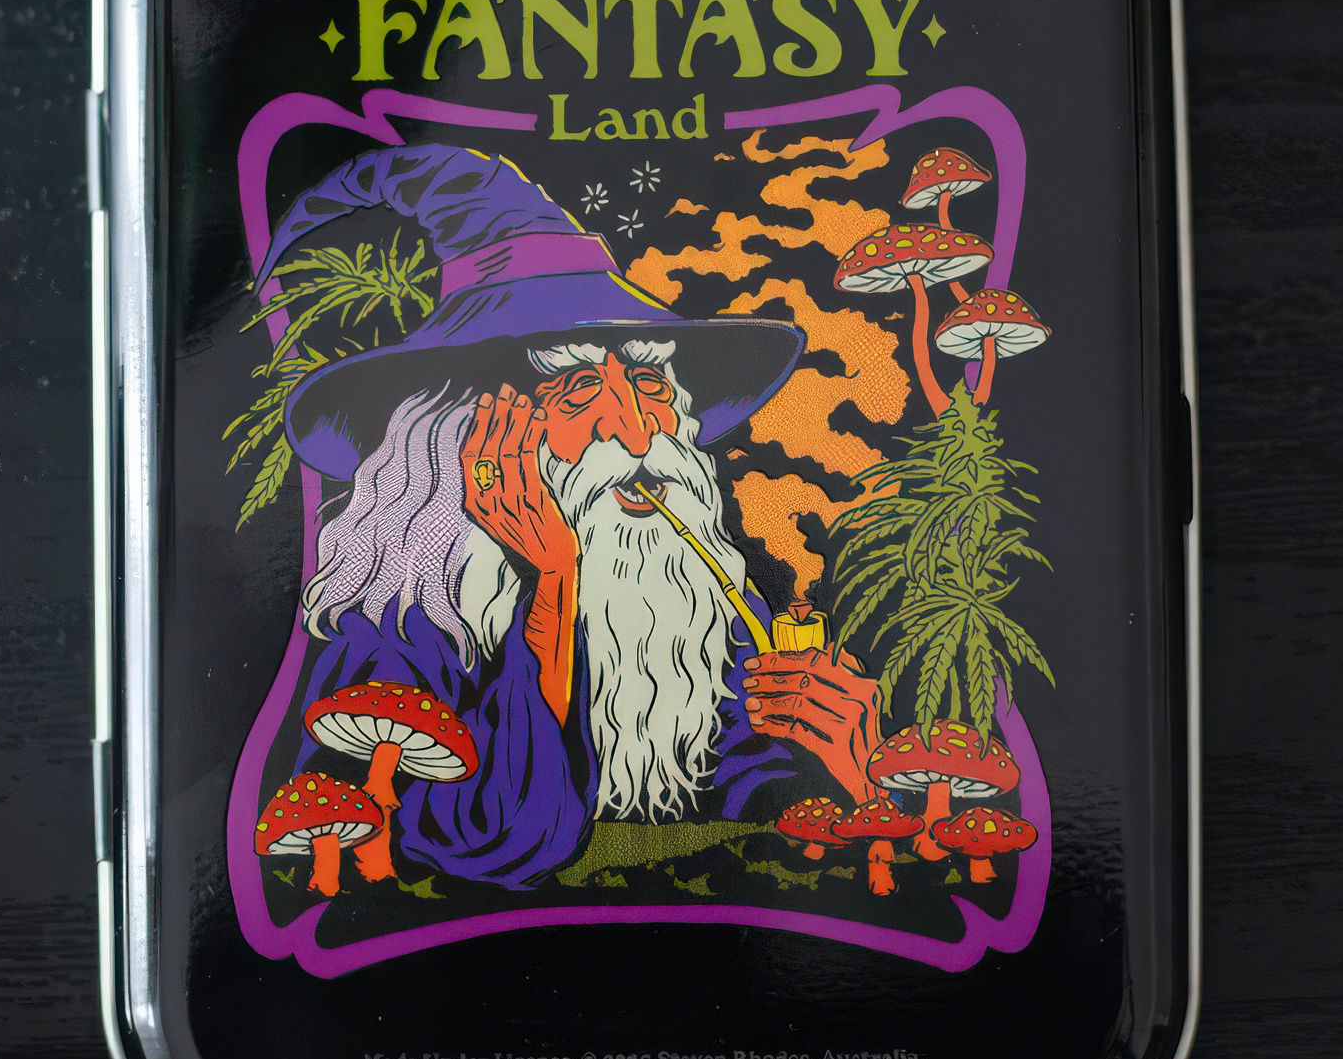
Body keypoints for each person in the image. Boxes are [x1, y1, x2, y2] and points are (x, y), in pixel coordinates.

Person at [260, 141, 885, 890]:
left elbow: (757, 794)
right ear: (462, 433)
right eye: (579, 390)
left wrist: (845, 765)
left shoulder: (698, 596)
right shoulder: (397, 621)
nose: (637, 432)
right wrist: (553, 579)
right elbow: (484, 842)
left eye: (650, 382)